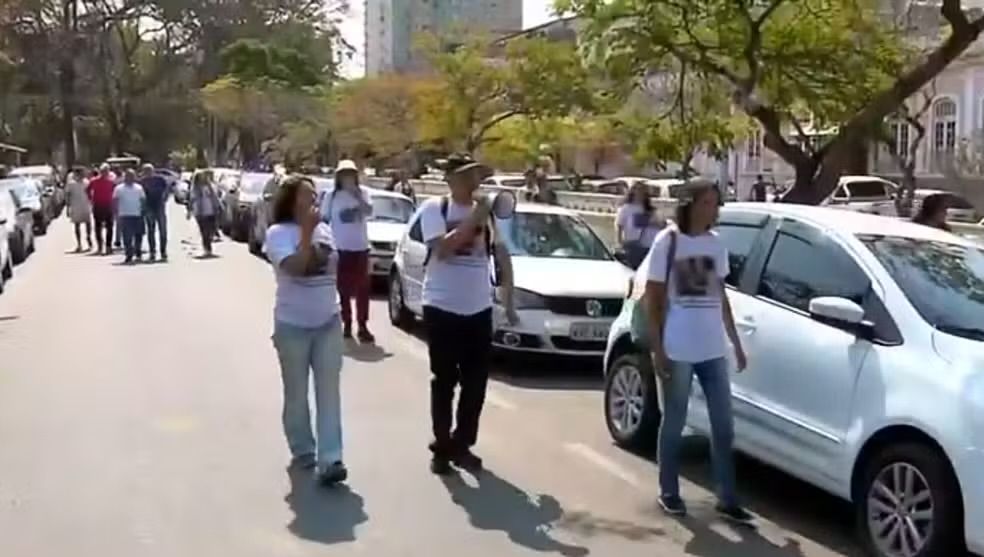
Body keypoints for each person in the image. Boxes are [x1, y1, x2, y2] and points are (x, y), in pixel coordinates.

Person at [645, 178, 752, 523]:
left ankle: (727, 496)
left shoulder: (716, 245)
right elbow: (654, 299)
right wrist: (658, 348)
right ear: (691, 204)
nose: (714, 209)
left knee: (724, 425)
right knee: (675, 421)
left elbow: (720, 295)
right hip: (678, 347)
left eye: (716, 203)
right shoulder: (668, 241)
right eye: (708, 202)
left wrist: (735, 343)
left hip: (711, 348)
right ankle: (669, 491)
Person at [419, 153, 518, 475]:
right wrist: (474, 218)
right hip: (442, 305)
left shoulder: (487, 217)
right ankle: (442, 444)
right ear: (450, 180)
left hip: (478, 307)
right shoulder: (435, 209)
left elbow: (502, 256)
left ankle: (462, 444)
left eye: (476, 175)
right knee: (445, 380)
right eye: (466, 176)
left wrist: (510, 301)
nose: (474, 182)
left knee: (476, 384)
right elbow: (442, 250)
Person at [264, 176, 348, 486]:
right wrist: (307, 233)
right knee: (297, 395)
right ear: (290, 200)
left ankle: (331, 458)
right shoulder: (276, 234)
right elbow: (296, 268)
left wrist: (314, 235)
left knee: (329, 393)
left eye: (315, 195)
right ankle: (303, 449)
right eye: (306, 195)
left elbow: (324, 263)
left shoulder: (325, 229)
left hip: (328, 321)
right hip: (292, 325)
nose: (313, 200)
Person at [323, 160, 375, 343]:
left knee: (362, 290)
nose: (348, 178)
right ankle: (346, 323)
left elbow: (369, 211)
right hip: (340, 248)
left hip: (360, 248)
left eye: (351, 174)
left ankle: (362, 325)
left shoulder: (364, 193)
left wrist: (357, 196)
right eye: (344, 174)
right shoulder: (332, 196)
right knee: (343, 289)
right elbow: (324, 219)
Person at [616, 182, 663, 269]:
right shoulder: (626, 208)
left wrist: (652, 223)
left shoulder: (651, 210)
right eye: (638, 191)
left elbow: (660, 225)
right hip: (632, 244)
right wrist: (620, 242)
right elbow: (619, 225)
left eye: (643, 192)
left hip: (649, 245)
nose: (640, 194)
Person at [113, 169, 146, 264]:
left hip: (137, 214)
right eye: (128, 176)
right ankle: (129, 255)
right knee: (127, 237)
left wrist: (143, 211)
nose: (130, 178)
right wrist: (116, 213)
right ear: (125, 177)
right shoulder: (119, 188)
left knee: (138, 235)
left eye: (132, 176)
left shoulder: (139, 188)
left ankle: (138, 253)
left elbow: (143, 200)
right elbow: (115, 201)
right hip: (125, 215)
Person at [186, 171, 222, 257]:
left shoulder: (210, 187)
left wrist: (218, 206)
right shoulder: (194, 189)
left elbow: (215, 197)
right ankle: (207, 249)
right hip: (200, 212)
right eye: (200, 177)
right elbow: (191, 200)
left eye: (204, 177)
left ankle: (208, 246)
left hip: (210, 211)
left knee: (211, 230)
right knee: (204, 231)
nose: (203, 178)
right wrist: (189, 212)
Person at [140, 164, 171, 262]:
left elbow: (167, 189)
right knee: (151, 231)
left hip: (160, 206)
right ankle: (152, 252)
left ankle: (163, 252)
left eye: (149, 170)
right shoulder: (142, 181)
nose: (147, 173)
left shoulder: (160, 179)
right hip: (149, 207)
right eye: (145, 171)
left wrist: (165, 198)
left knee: (163, 230)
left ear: (153, 171)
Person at [87, 164, 117, 255]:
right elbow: (87, 190)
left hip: (108, 205)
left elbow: (115, 192)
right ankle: (100, 246)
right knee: (98, 227)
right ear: (100, 171)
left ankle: (108, 246)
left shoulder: (111, 181)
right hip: (98, 205)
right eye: (103, 171)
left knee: (109, 227)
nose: (105, 173)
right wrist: (91, 200)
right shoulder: (94, 181)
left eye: (106, 171)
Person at [65, 167, 92, 252]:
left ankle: (88, 237)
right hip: (75, 206)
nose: (82, 175)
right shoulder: (71, 184)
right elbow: (68, 195)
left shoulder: (87, 182)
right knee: (77, 225)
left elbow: (90, 193)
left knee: (88, 223)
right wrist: (68, 207)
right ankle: (79, 244)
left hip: (85, 205)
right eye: (80, 173)